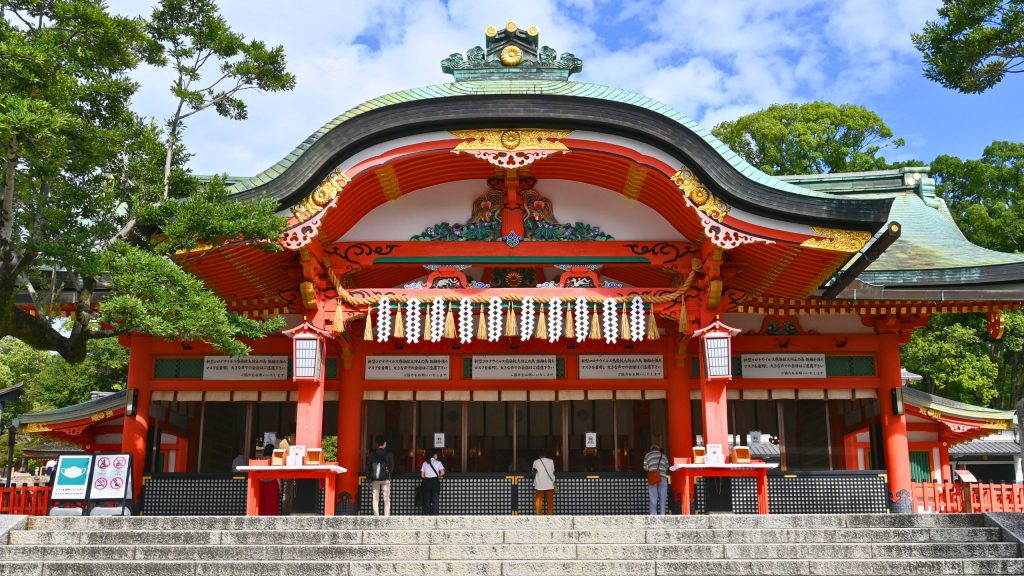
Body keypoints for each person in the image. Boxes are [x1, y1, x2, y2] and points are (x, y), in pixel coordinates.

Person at [368, 435, 395, 516]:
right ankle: (386, 517)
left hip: (375, 479)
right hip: (385, 479)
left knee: (375, 498)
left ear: (377, 444)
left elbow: (368, 467)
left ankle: (377, 516)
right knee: (386, 499)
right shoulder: (389, 454)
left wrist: (368, 479)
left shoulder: (372, 454)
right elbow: (392, 466)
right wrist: (389, 473)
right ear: (385, 443)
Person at [644, 444, 669, 515]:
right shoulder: (663, 455)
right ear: (658, 449)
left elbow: (645, 467)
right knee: (663, 497)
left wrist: (652, 469)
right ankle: (662, 514)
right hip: (662, 477)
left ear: (651, 449)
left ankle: (653, 515)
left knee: (653, 496)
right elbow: (667, 466)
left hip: (652, 477)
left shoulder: (648, 455)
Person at [419, 450, 445, 515]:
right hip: (435, 481)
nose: (437, 456)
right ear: (434, 455)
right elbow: (442, 472)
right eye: (436, 454)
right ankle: (435, 515)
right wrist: (438, 476)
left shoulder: (424, 463)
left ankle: (427, 514)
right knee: (435, 499)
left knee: (426, 499)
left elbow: (422, 475)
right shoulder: (438, 462)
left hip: (426, 482)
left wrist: (428, 475)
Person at [532, 451, 556, 515]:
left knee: (539, 501)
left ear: (539, 456)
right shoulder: (551, 461)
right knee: (550, 501)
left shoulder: (536, 462)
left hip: (539, 484)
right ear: (546, 455)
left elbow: (533, 471)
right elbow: (553, 470)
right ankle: (550, 515)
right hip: (549, 484)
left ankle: (539, 516)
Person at [258, 443, 280, 516]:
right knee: (271, 503)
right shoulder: (274, 460)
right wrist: (279, 486)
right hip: (272, 482)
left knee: (262, 502)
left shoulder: (260, 459)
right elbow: (277, 474)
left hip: (261, 482)